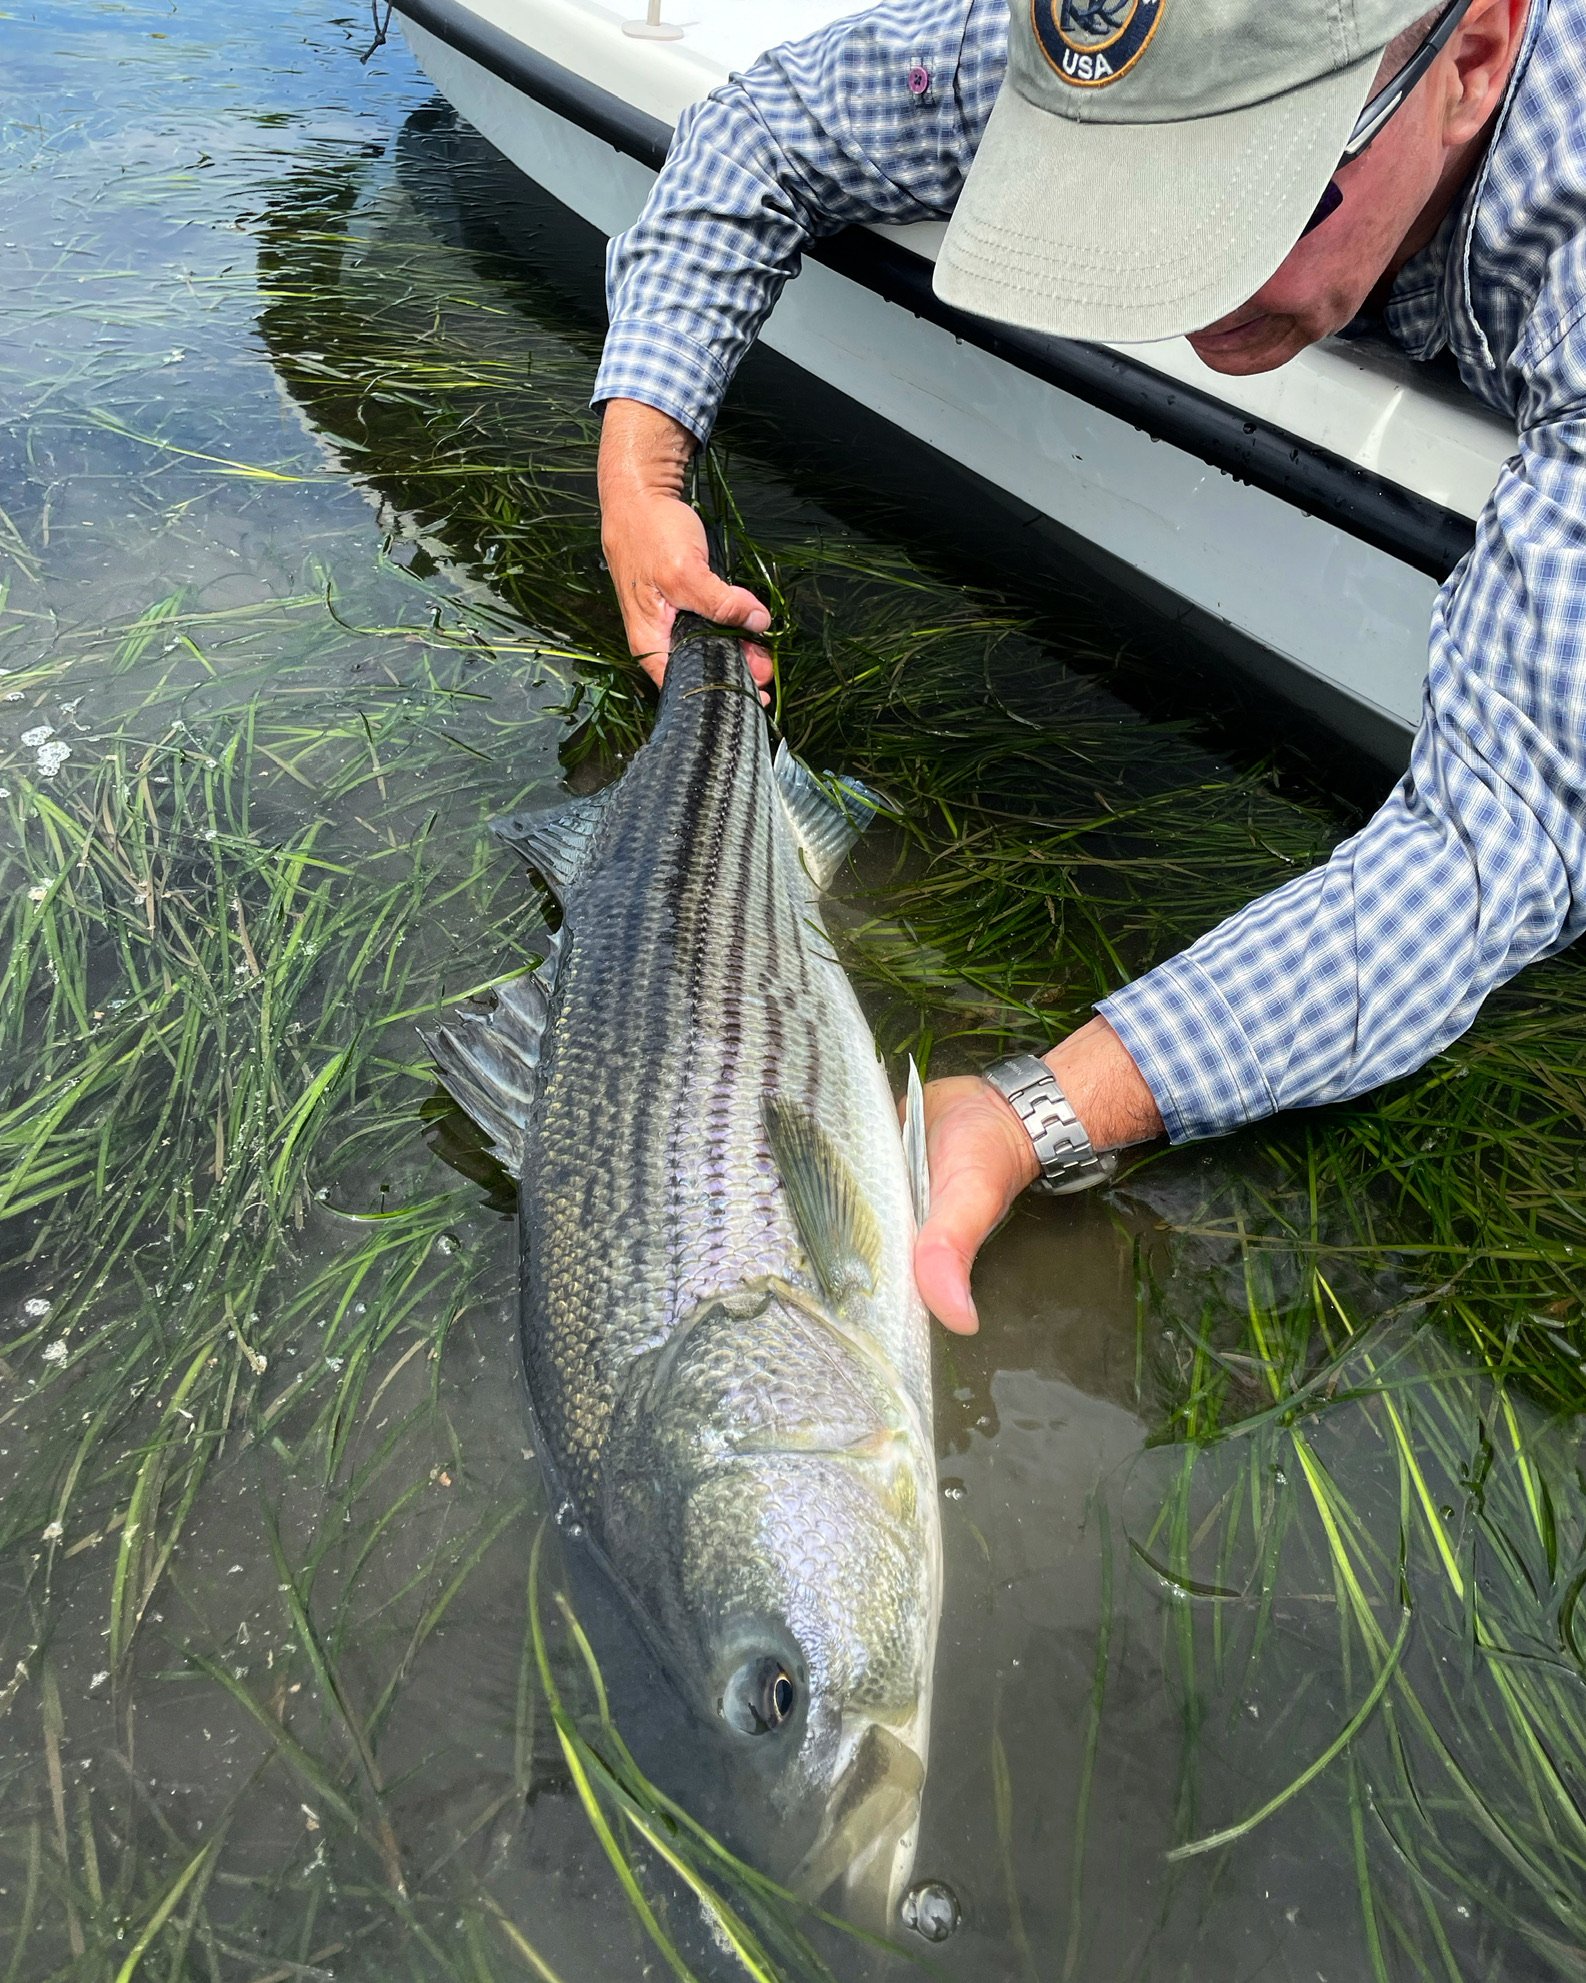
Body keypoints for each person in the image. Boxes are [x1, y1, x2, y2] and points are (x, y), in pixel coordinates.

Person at [593, 0, 1582, 1334]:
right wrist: (641, 472)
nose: (1183, 302)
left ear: (1471, 59)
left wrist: (1027, 1113)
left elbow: (1495, 836)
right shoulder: (1104, 38)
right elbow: (765, 127)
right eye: (1132, 201)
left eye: (1259, 205)